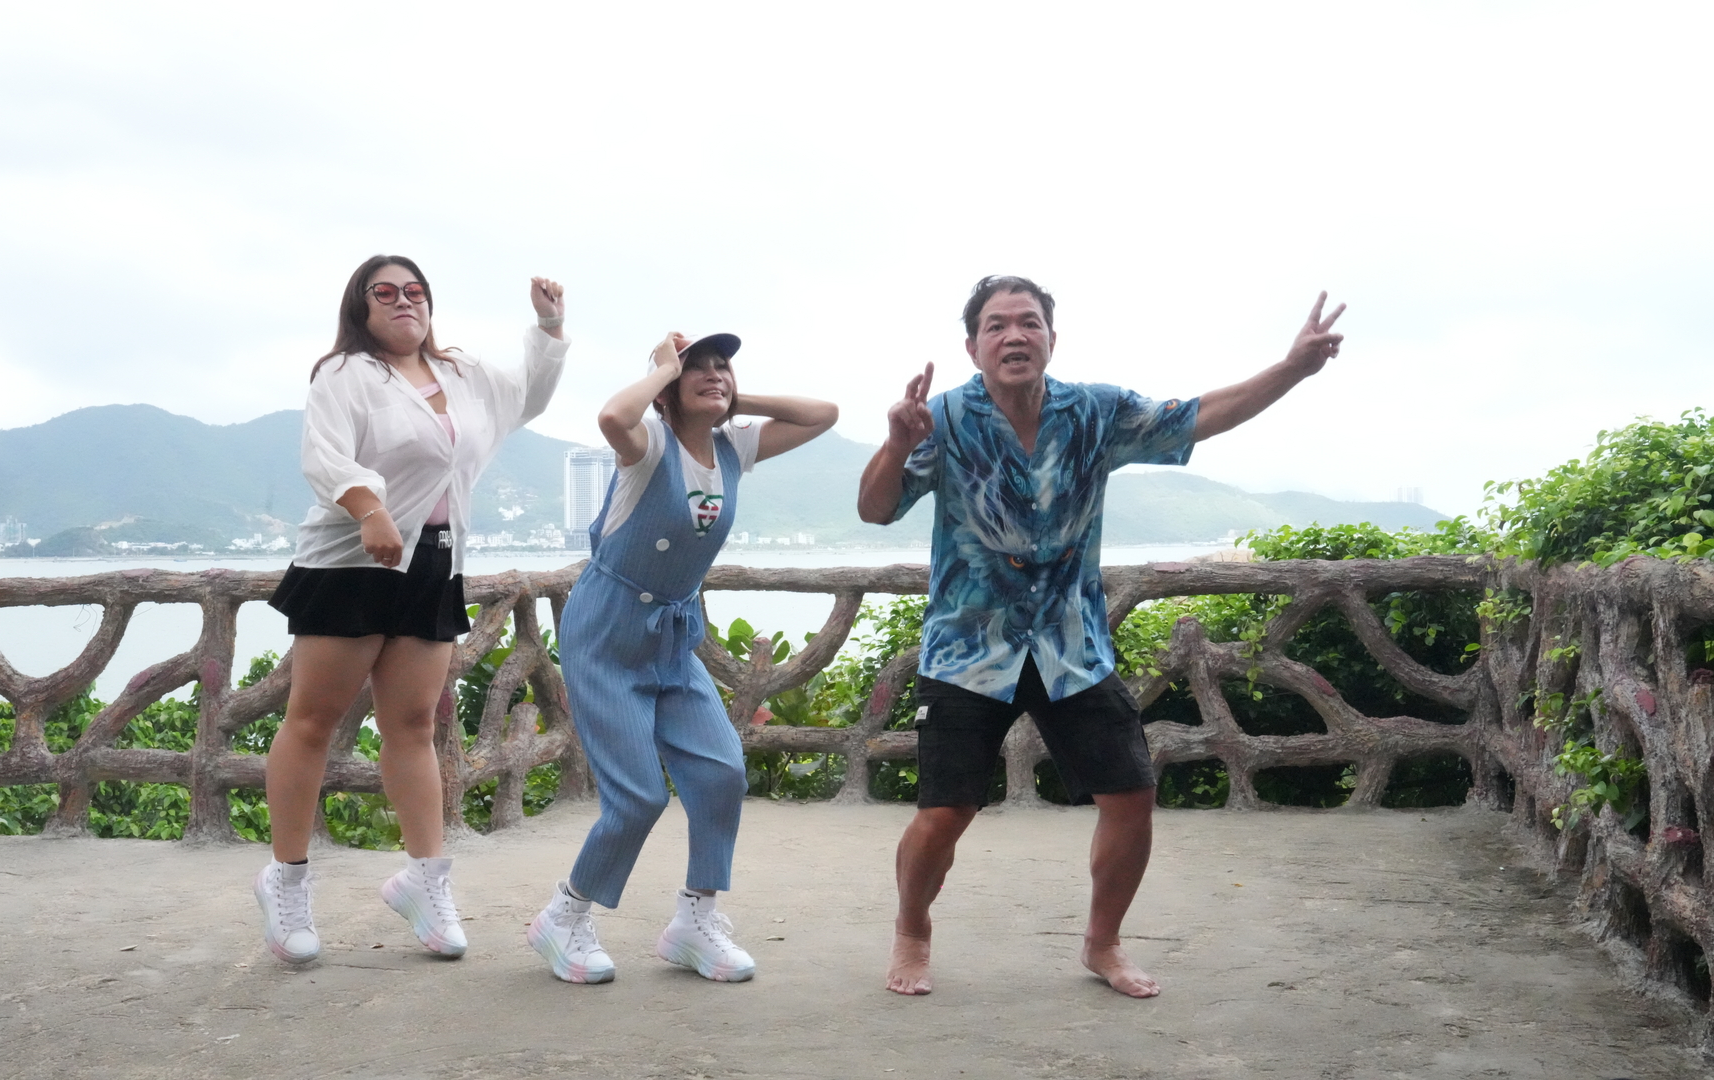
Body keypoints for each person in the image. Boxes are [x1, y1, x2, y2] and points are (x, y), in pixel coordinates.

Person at [858, 275, 1345, 997]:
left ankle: (1102, 943)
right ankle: (911, 931)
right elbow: (875, 509)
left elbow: (1199, 416)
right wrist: (897, 444)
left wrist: (1292, 368)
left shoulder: (1095, 411)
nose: (1014, 336)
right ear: (973, 346)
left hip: (1071, 648)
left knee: (1131, 797)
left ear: (1052, 338)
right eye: (997, 325)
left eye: (1029, 322)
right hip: (968, 649)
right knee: (944, 812)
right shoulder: (946, 418)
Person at [253, 255, 570, 964]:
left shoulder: (462, 374)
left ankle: (426, 884)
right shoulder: (344, 374)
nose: (405, 302)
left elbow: (528, 397)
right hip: (350, 561)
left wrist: (548, 328)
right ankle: (286, 883)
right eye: (387, 292)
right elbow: (325, 456)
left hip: (433, 560)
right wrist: (369, 509)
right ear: (361, 307)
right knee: (313, 721)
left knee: (414, 724)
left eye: (416, 291)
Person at [527, 330, 837, 984]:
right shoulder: (648, 444)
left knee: (722, 771)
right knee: (638, 796)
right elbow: (612, 417)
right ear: (668, 386)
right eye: (698, 367)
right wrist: (664, 371)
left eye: (723, 365)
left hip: (672, 634)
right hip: (606, 634)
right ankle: (565, 915)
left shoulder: (733, 449)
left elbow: (823, 414)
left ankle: (695, 921)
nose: (714, 373)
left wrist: (733, 398)